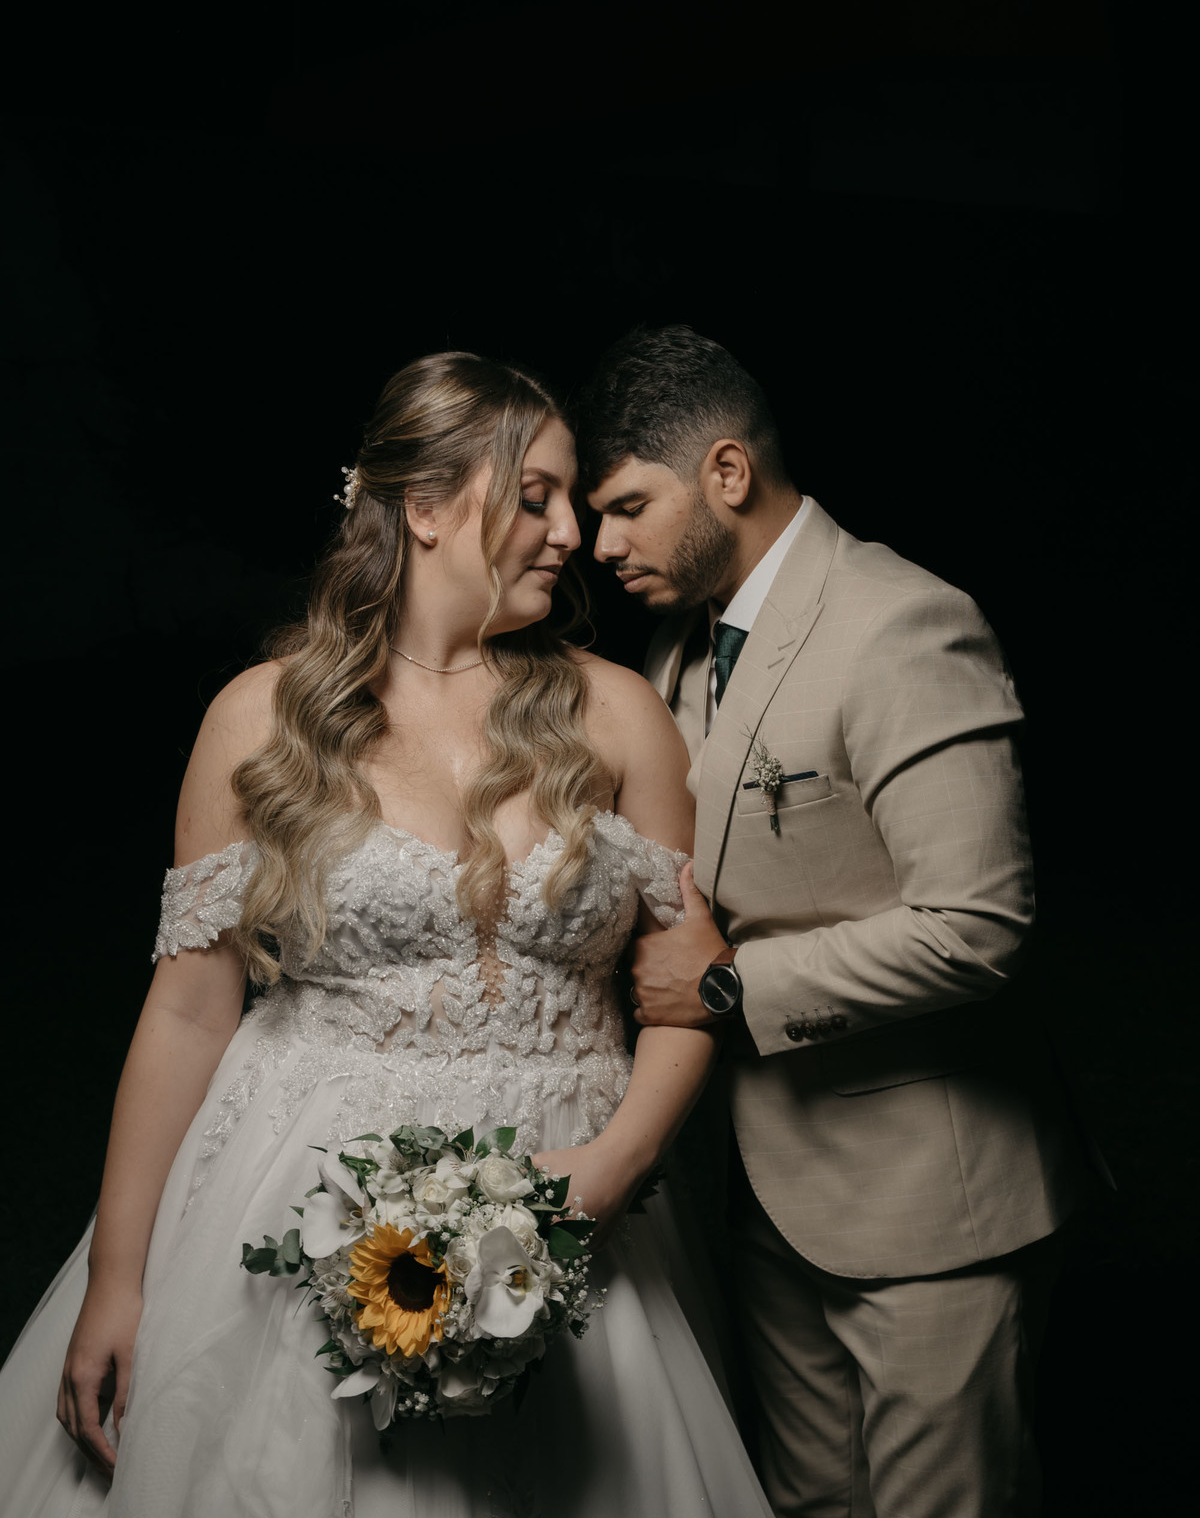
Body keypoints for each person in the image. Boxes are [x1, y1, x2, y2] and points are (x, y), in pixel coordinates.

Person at [0, 352, 774, 1518]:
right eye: (535, 497)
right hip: (295, 1187)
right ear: (423, 508)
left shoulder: (619, 713)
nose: (572, 533)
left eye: (571, 501)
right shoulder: (261, 719)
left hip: (571, 1195)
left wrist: (610, 1172)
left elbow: (683, 990)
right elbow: (189, 1011)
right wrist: (120, 1276)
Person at [575, 326, 1102, 1518]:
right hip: (758, 1188)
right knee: (808, 1501)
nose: (601, 546)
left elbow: (976, 923)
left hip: (930, 1199)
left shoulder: (903, 623)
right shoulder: (673, 647)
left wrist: (728, 989)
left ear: (726, 471)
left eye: (628, 508)